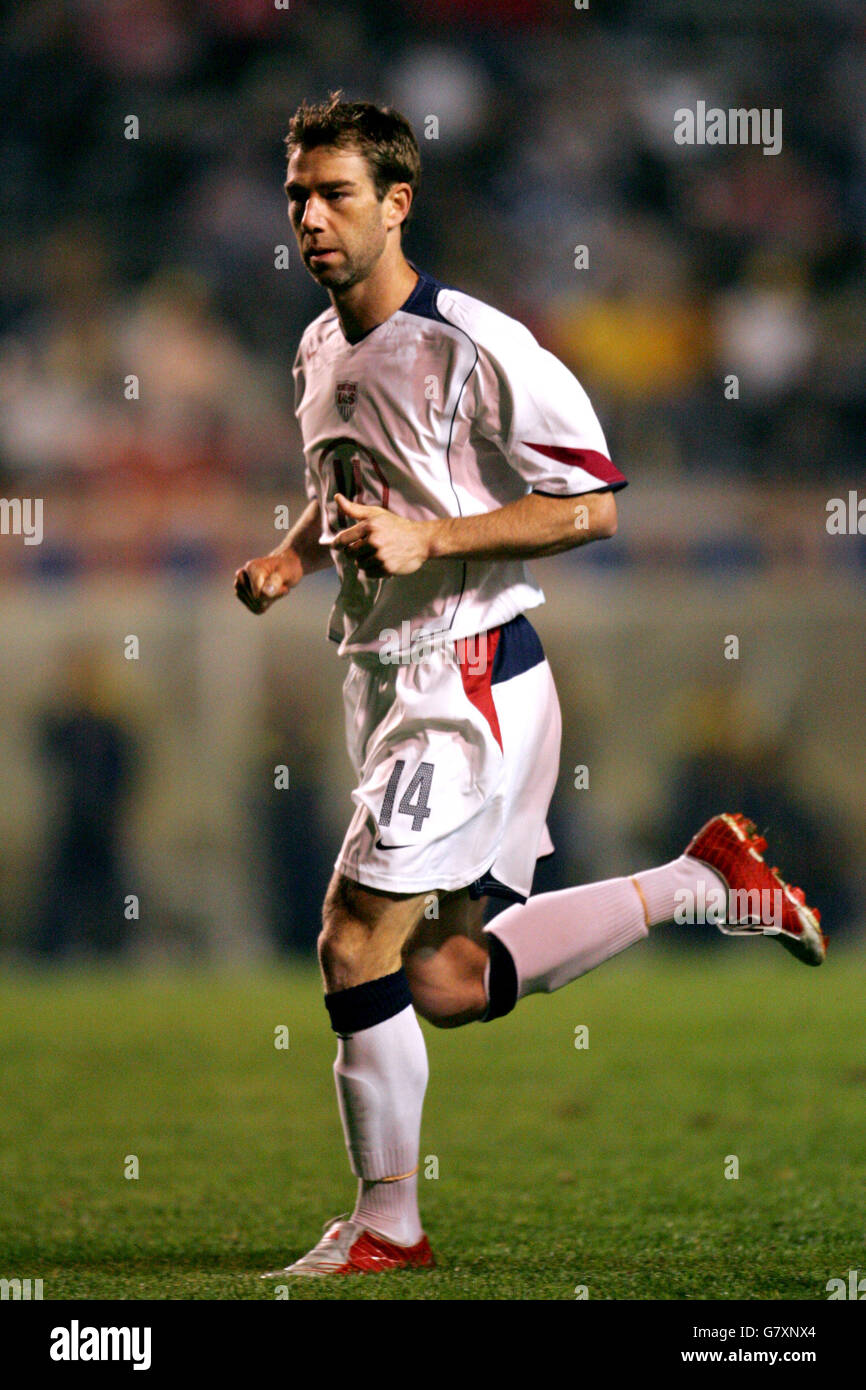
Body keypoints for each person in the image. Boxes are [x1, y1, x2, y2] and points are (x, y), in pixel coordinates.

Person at [234, 95, 825, 1279]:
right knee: (447, 979)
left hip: (466, 681)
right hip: (398, 682)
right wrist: (294, 554)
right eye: (297, 192)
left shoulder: (473, 339)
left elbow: (594, 503)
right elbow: (359, 478)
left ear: (397, 202)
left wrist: (430, 545)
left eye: (334, 192)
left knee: (353, 940)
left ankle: (388, 1225)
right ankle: (701, 880)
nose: (308, 215)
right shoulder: (316, 344)